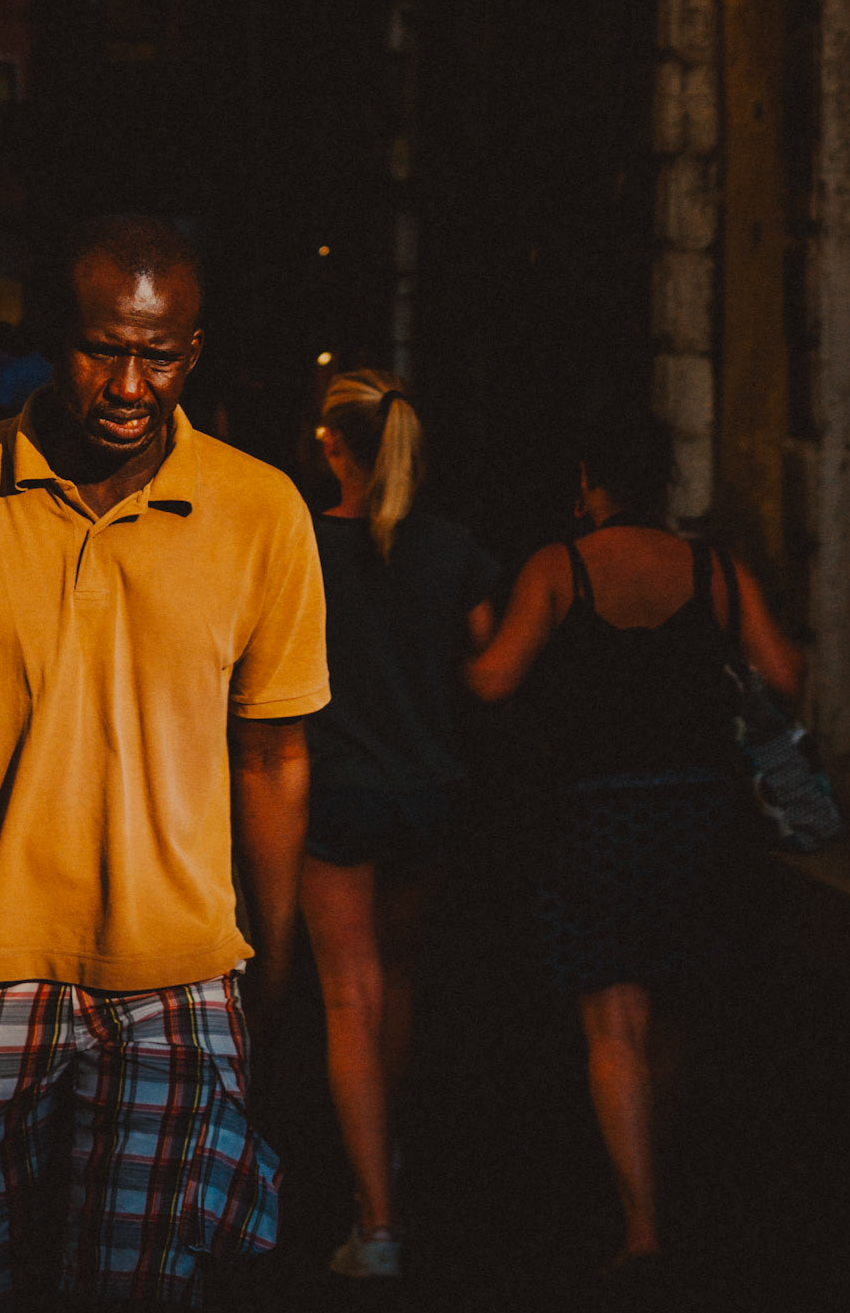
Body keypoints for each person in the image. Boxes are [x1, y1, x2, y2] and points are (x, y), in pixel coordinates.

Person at [0, 213, 330, 1309]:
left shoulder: (261, 510)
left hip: (179, 974)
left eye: (159, 353)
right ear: (50, 335)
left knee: (140, 1286)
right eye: (103, 346)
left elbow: (274, 754)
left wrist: (277, 962)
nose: (129, 381)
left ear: (193, 353)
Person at [465, 413, 800, 1292]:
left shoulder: (558, 567)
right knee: (674, 1002)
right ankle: (667, 1176)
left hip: (594, 820)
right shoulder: (715, 570)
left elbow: (496, 679)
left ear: (590, 483)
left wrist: (459, 649)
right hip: (699, 813)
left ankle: (642, 1225)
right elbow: (786, 676)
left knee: (614, 1017)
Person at [300, 370, 498, 1282]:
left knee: (349, 995)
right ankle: (390, 1151)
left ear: (334, 446)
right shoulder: (454, 546)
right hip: (429, 793)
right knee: (399, 980)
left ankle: (375, 1221)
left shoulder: (302, 542)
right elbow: (483, 661)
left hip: (337, 791)